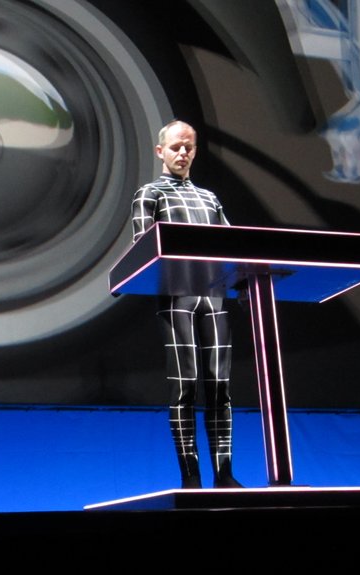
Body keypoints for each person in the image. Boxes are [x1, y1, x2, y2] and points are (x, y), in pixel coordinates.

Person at [130, 120, 242, 489]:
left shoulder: (210, 198)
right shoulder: (149, 194)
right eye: (176, 147)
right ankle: (191, 476)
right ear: (160, 151)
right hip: (177, 296)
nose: (182, 153)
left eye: (189, 147)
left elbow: (235, 248)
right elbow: (142, 249)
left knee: (220, 386)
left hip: (214, 299)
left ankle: (224, 474)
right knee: (185, 387)